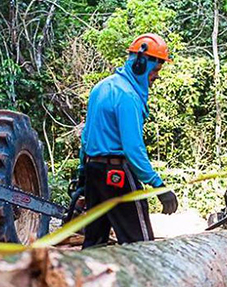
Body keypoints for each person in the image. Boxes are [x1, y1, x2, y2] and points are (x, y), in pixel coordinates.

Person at [76, 33, 178, 249]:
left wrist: (82, 172)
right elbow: (133, 149)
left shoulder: (101, 87)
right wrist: (158, 186)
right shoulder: (128, 96)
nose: (156, 76)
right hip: (117, 174)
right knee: (140, 244)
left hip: (94, 170)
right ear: (142, 64)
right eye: (156, 70)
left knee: (94, 243)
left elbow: (86, 137)